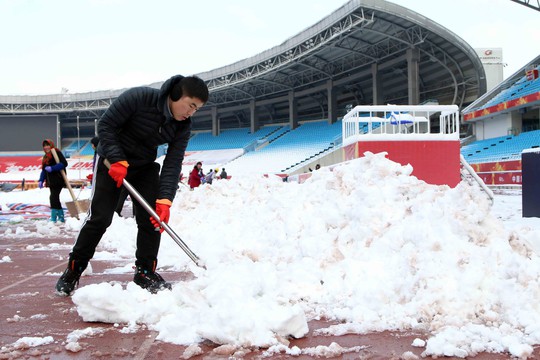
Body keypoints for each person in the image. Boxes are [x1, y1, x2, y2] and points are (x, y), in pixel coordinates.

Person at [55, 75, 209, 296]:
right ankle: (74, 269)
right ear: (176, 95)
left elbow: (173, 163)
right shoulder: (139, 98)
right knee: (100, 218)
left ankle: (145, 272)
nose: (191, 112)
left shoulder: (182, 126)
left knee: (153, 218)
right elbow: (106, 126)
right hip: (111, 161)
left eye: (197, 109)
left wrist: (165, 199)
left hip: (144, 165)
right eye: (191, 105)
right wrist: (117, 158)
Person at [38, 139, 68, 223]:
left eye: (47, 145)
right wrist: (41, 180)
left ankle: (55, 217)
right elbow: (44, 170)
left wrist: (53, 168)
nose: (46, 147)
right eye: (44, 146)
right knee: (54, 197)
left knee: (53, 197)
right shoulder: (45, 157)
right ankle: (59, 216)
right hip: (50, 181)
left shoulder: (56, 152)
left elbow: (64, 163)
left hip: (58, 179)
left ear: (51, 145)